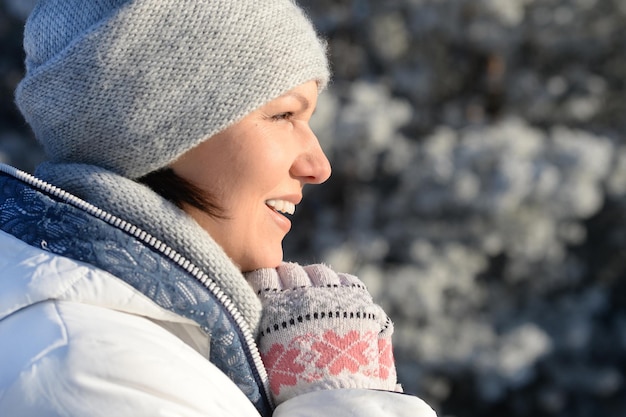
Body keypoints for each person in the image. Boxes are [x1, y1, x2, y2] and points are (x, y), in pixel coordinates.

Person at [0, 1, 437, 416]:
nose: (318, 166)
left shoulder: (142, 346)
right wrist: (343, 399)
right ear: (156, 127)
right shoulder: (91, 369)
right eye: (284, 116)